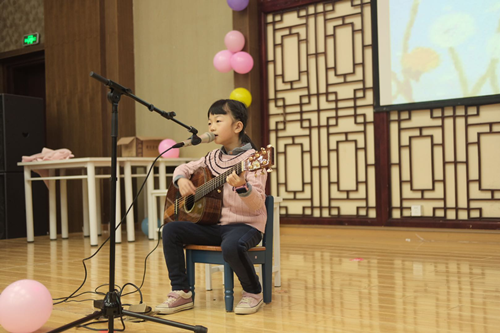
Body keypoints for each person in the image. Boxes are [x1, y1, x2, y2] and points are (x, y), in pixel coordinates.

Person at [155, 99, 268, 315]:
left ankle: (253, 292)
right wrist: (180, 180)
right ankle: (181, 292)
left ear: (237, 127)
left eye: (217, 120)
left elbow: (257, 205)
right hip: (213, 226)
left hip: (245, 226)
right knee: (170, 230)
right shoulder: (211, 157)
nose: (211, 127)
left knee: (232, 246)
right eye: (209, 123)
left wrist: (243, 187)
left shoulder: (254, 160)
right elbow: (183, 167)